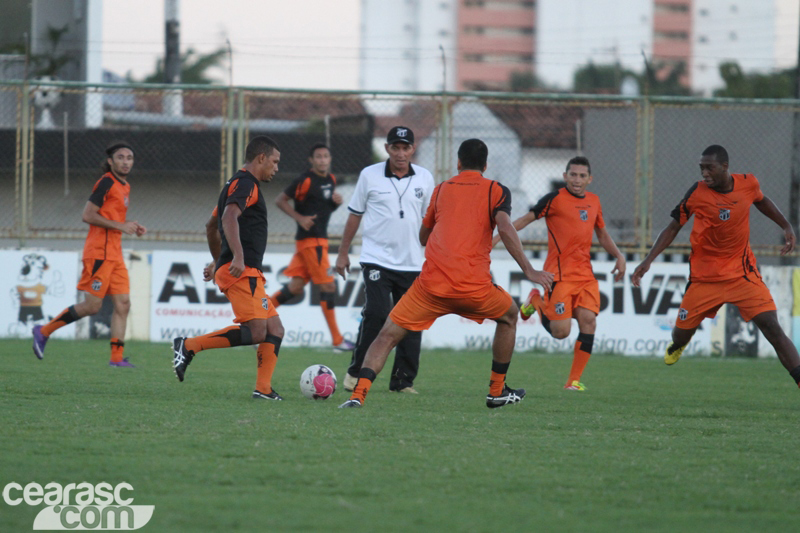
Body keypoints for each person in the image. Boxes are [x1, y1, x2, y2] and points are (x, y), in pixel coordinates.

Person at [339, 138, 554, 408]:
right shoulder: (496, 190)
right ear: (485, 165)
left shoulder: (441, 190)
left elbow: (422, 237)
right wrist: (529, 270)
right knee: (510, 315)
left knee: (386, 335)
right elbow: (506, 227)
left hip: (430, 288)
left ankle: (357, 396)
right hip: (473, 288)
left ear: (458, 163)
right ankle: (496, 391)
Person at [631, 144, 800, 387]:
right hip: (704, 278)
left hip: (743, 275)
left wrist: (785, 225)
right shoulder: (697, 193)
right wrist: (648, 260)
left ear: (724, 167)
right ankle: (679, 346)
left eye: (709, 168)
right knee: (679, 335)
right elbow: (673, 227)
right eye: (702, 168)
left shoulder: (748, 183)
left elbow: (761, 200)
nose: (704, 173)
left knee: (772, 328)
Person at [495, 156, 626, 391]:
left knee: (589, 321)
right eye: (572, 175)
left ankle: (573, 381)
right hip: (559, 276)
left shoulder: (594, 201)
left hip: (585, 275)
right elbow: (526, 219)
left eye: (582, 176)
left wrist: (619, 256)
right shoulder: (554, 199)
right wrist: (497, 237)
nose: (577, 180)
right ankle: (536, 300)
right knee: (561, 333)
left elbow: (603, 234)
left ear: (590, 179)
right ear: (565, 176)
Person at [172, 136, 286, 400]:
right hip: (243, 271)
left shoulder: (233, 185)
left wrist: (219, 260)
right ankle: (188, 346)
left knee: (275, 329)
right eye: (275, 161)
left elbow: (211, 226)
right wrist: (235, 256)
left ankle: (263, 389)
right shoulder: (247, 184)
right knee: (257, 331)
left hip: (242, 270)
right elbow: (228, 217)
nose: (276, 168)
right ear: (261, 158)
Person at [334, 126, 435, 394]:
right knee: (377, 313)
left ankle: (402, 381)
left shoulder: (425, 178)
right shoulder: (369, 175)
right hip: (376, 259)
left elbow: (431, 221)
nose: (401, 153)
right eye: (395, 148)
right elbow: (354, 214)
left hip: (414, 262)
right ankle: (356, 373)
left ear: (413, 149)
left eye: (406, 148)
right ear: (388, 148)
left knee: (412, 322)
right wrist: (343, 253)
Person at [32, 141, 147, 366]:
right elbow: (88, 215)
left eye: (129, 158)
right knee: (92, 306)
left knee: (123, 304)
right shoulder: (105, 182)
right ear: (110, 162)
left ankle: (116, 358)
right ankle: (44, 331)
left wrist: (129, 225)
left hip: (115, 254)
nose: (125, 161)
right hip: (99, 254)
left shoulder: (125, 186)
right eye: (121, 157)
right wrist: (120, 226)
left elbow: (110, 216)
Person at [269, 143, 354, 352]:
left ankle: (254, 320)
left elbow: (322, 208)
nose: (323, 160)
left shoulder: (331, 180)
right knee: (328, 286)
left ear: (330, 159)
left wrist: (335, 203)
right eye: (318, 157)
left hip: (316, 241)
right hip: (311, 242)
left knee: (296, 287)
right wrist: (300, 218)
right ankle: (337, 340)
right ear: (311, 160)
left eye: (326, 156)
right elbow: (280, 200)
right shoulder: (305, 180)